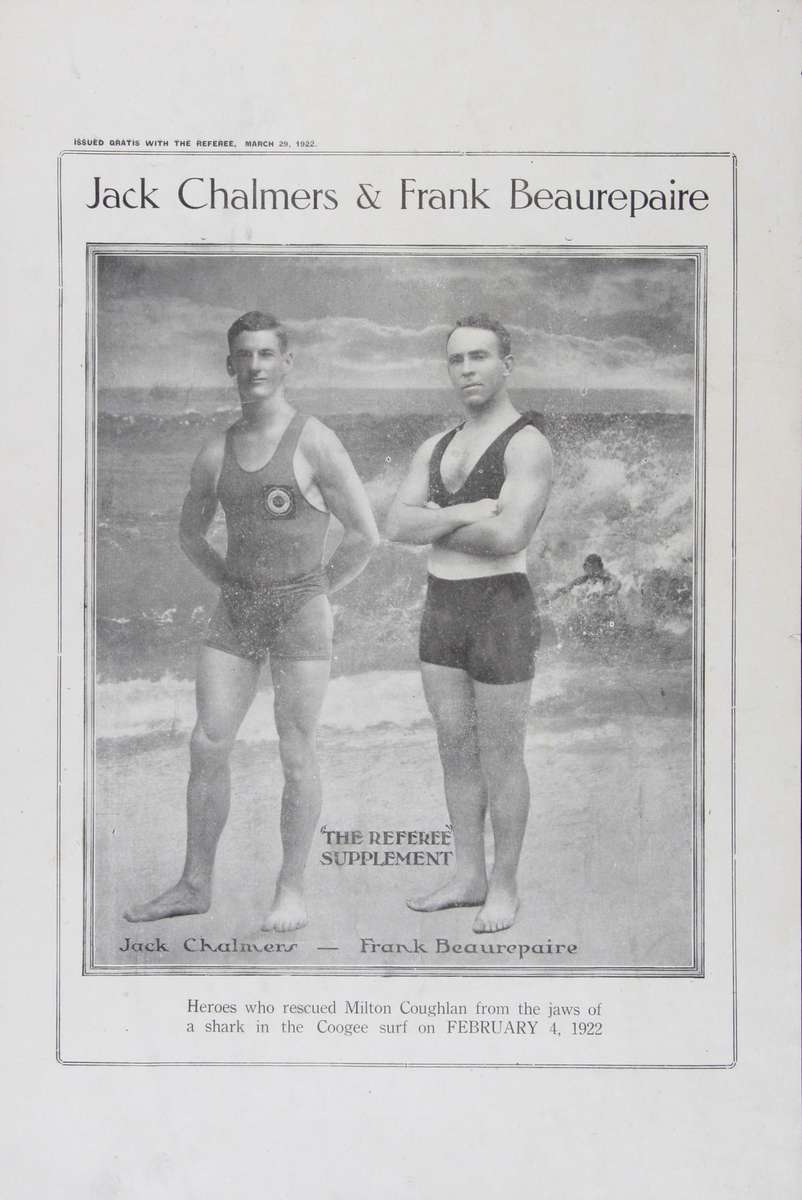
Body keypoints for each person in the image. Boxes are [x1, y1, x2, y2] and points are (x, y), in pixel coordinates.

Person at [125, 311, 379, 932]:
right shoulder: (214, 452)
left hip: (300, 613)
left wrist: (314, 590)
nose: (257, 365)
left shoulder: (315, 440)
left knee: (296, 753)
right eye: (245, 355)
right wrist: (233, 585)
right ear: (230, 364)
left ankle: (291, 889)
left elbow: (364, 535)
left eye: (268, 354)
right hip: (237, 611)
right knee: (207, 742)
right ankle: (193, 884)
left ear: (286, 362)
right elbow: (189, 535)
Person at [386, 314, 552, 933]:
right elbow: (394, 527)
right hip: (442, 606)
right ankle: (467, 876)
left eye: (480, 357)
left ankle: (503, 886)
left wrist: (437, 516)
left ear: (507, 364)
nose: (468, 370)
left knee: (502, 755)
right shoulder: (433, 446)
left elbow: (511, 533)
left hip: (501, 608)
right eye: (457, 360)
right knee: (454, 751)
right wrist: (467, 511)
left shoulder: (526, 443)